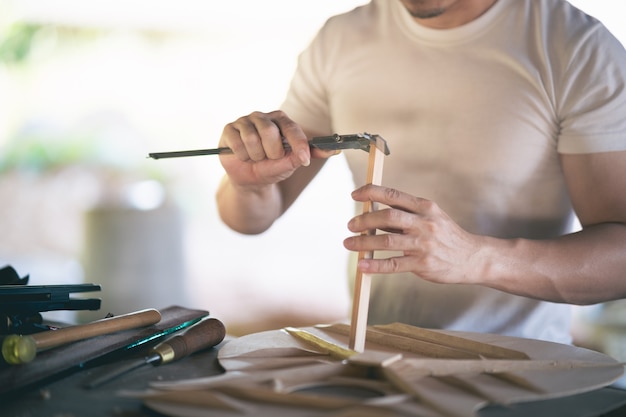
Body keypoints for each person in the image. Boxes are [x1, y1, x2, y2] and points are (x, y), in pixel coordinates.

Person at [215, 0, 626, 344]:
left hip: (523, 371)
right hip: (374, 359)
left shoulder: (574, 46)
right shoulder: (340, 39)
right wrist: (249, 186)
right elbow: (250, 220)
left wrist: (475, 258)